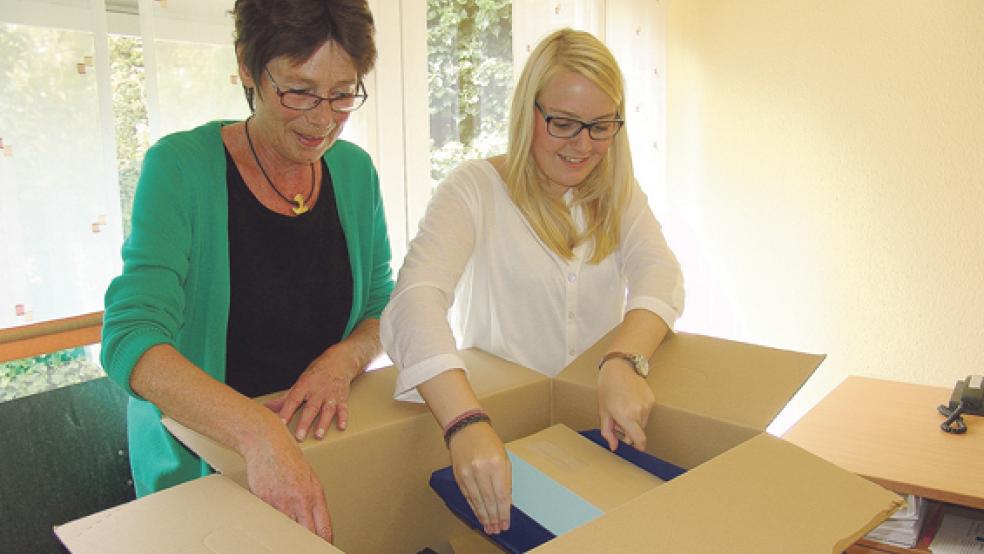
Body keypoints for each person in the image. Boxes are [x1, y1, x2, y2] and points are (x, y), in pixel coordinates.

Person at [100, 0, 392, 542]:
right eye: (299, 91)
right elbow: (130, 339)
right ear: (246, 67)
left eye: (342, 93)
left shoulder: (354, 172)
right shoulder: (181, 168)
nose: (323, 119)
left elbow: (380, 305)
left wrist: (341, 361)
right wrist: (260, 433)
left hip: (326, 452)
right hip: (208, 464)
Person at [380, 28, 684, 536]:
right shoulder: (475, 190)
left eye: (601, 126)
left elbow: (661, 274)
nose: (582, 145)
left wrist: (622, 361)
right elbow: (414, 303)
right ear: (529, 112)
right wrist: (463, 423)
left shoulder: (619, 193)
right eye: (563, 123)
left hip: (591, 437)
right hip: (502, 429)